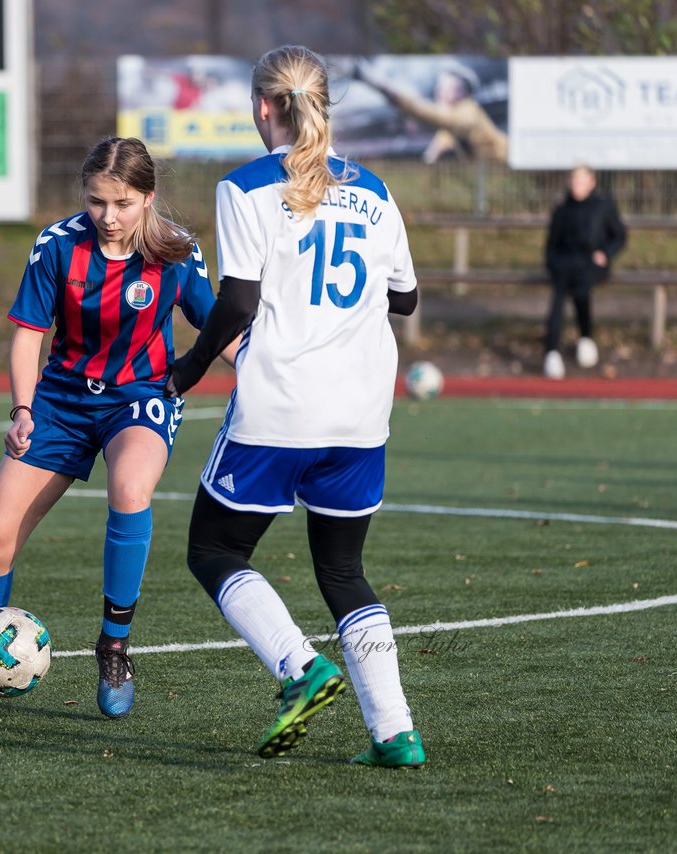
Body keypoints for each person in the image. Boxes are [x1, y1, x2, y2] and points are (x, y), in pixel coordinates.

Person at [165, 46, 426, 767]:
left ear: (262, 108)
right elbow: (405, 298)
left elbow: (239, 300)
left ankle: (299, 668)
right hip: (362, 413)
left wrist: (189, 366)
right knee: (343, 571)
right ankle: (395, 733)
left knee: (215, 551)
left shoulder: (246, 188)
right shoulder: (373, 188)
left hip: (281, 406)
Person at [0, 137, 223, 718]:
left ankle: (114, 647)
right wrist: (23, 410)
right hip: (61, 402)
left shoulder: (176, 250)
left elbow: (220, 326)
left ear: (147, 198)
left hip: (139, 400)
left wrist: (261, 372)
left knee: (129, 491)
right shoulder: (57, 244)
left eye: (122, 203)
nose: (108, 216)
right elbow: (28, 334)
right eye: (97, 201)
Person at [542, 165, 626, 380]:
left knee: (581, 292)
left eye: (581, 181)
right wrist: (554, 265)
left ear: (591, 182)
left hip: (590, 265)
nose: (576, 185)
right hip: (564, 265)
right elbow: (551, 246)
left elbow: (619, 236)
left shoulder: (602, 206)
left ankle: (586, 337)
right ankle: (552, 352)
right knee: (558, 300)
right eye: (573, 180)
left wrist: (605, 253)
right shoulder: (562, 210)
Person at [356, 61, 507, 164]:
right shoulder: (453, 124)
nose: (439, 93)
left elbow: (428, 113)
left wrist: (381, 87)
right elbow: (433, 154)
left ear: (463, 93)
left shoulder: (466, 115)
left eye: (447, 88)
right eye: (440, 87)